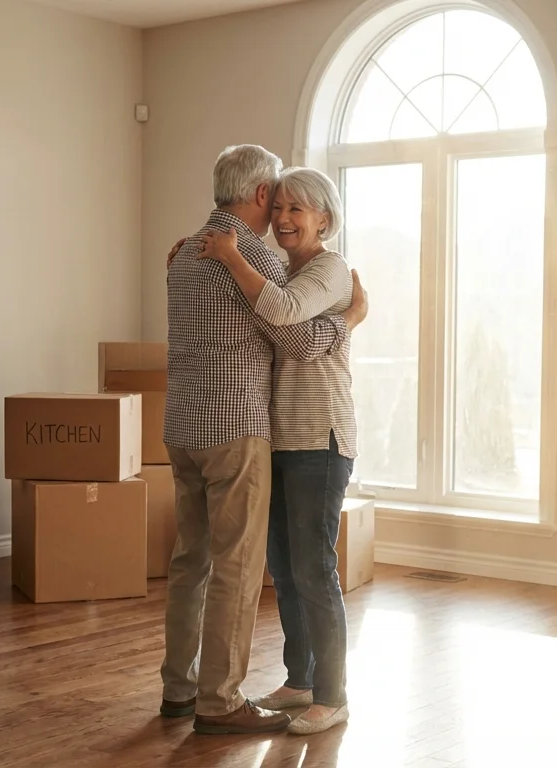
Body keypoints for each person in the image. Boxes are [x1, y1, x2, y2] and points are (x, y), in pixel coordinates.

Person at [160, 145, 369, 736]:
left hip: (183, 427)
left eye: (295, 206)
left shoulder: (183, 255)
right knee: (240, 565)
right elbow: (300, 342)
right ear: (258, 196)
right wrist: (351, 319)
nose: (280, 214)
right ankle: (219, 701)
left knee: (191, 561)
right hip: (236, 430)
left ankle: (179, 689)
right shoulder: (256, 259)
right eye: (277, 200)